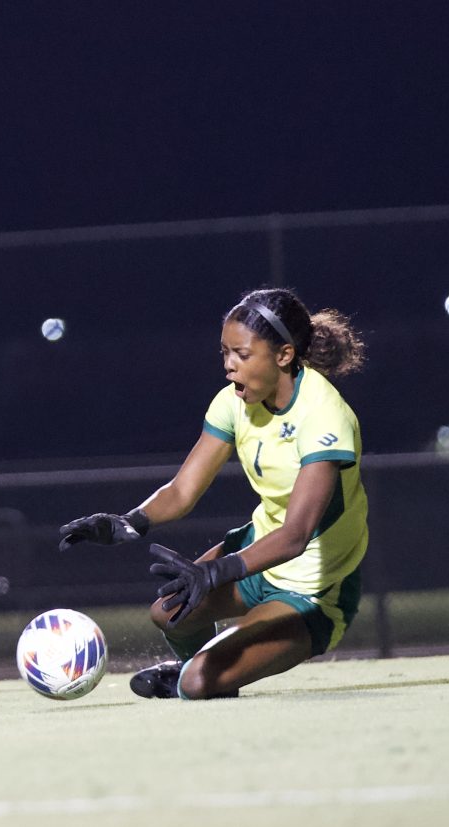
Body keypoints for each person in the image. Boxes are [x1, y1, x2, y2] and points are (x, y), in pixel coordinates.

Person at [59, 287, 368, 700]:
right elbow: (183, 490)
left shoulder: (324, 414)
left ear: (284, 355)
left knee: (195, 682)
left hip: (315, 588)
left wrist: (218, 570)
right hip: (259, 553)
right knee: (169, 615)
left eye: (241, 354)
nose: (229, 366)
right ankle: (202, 667)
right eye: (224, 353)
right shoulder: (234, 402)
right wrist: (128, 523)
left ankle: (197, 674)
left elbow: (297, 534)